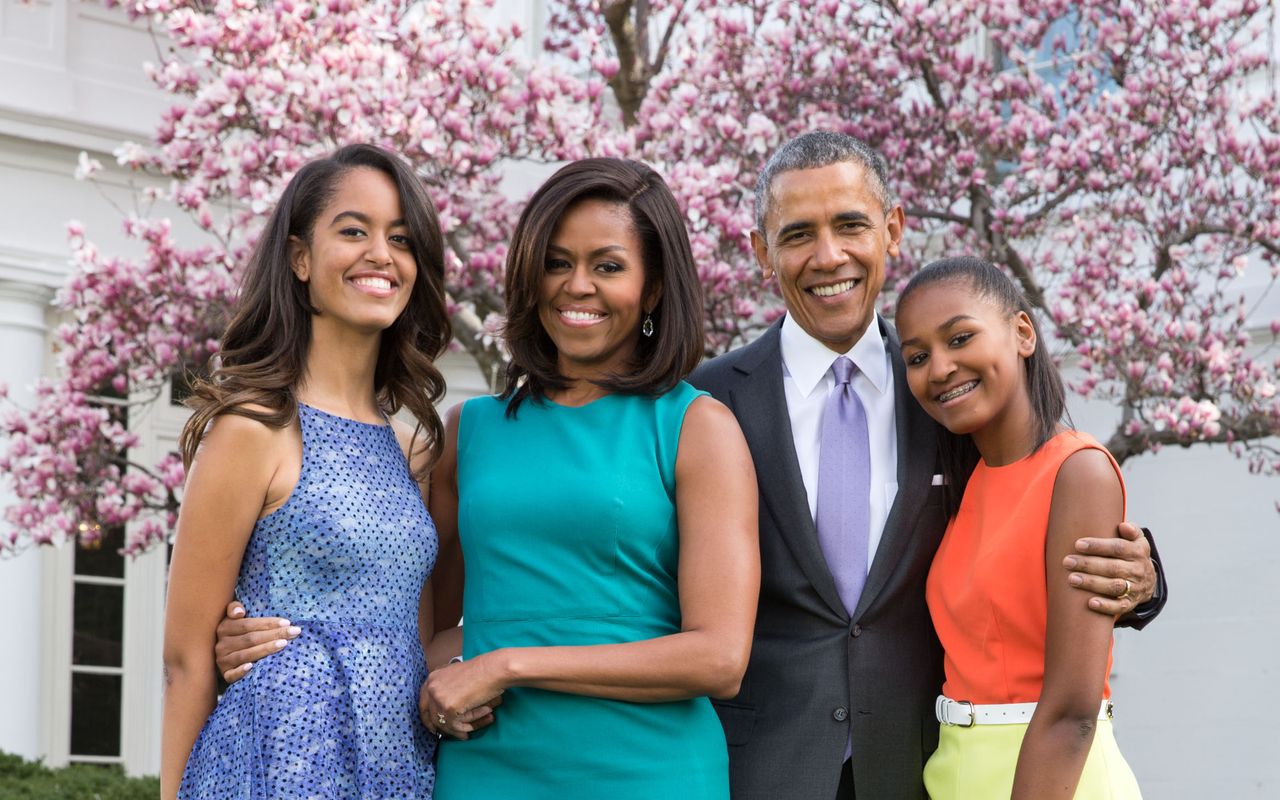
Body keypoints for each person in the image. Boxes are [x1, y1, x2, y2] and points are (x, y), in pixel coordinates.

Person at [210, 157, 760, 798]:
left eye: (608, 267)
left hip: (649, 772)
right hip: (487, 769)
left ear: (655, 289)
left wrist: (505, 664)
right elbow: (418, 623)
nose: (576, 286)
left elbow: (719, 658)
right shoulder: (469, 431)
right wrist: (277, 638)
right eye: (556, 263)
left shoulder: (697, 427)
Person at [686, 131, 1166, 800]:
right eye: (798, 235)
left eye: (851, 225)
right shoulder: (707, 402)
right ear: (762, 252)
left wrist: (1142, 579)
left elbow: (1034, 498)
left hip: (921, 769)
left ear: (893, 230)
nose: (829, 256)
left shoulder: (953, 396)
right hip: (762, 769)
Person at [161, 144, 454, 799]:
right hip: (271, 767)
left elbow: (421, 636)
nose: (380, 253)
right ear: (300, 257)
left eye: (401, 238)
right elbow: (184, 661)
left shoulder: (415, 452)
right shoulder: (252, 430)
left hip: (398, 766)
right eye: (353, 230)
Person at [894, 255, 1142, 798]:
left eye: (959, 339)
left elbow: (1072, 711)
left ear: (1023, 333)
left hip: (1053, 776)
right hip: (956, 771)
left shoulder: (1079, 472)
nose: (938, 369)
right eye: (917, 356)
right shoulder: (963, 486)